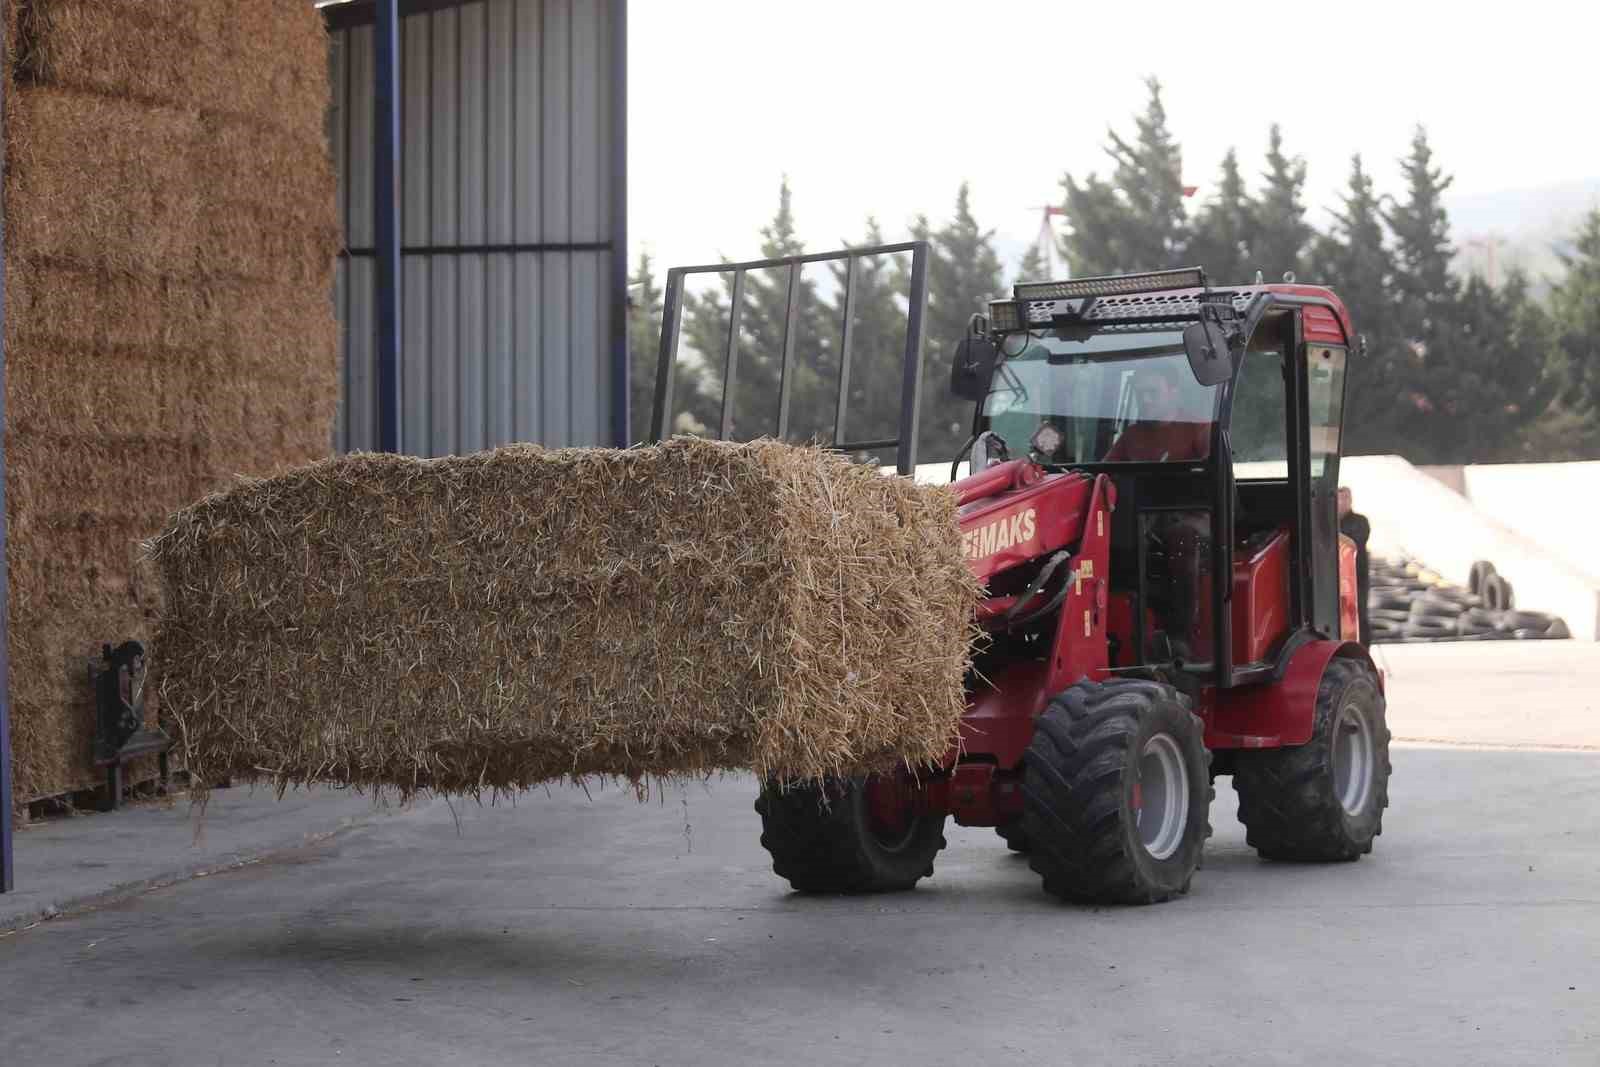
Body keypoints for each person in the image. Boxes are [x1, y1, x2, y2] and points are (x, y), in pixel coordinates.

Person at [1104, 364, 1210, 462]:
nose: (1145, 399)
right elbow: (1101, 474)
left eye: (1152, 392)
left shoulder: (1200, 429)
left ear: (1173, 391)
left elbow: (1213, 474)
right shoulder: (1132, 435)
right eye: (1140, 393)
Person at [1339, 486, 1372, 646]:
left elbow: (1353, 543)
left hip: (1357, 575)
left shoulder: (1360, 521)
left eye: (1346, 498)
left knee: (1360, 613)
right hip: (1338, 577)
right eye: (1340, 498)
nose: (1343, 502)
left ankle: (1364, 649)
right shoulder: (1329, 521)